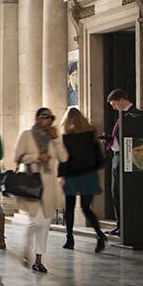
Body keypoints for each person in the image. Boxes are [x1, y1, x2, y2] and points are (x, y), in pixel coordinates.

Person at [13, 107, 68, 274]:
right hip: (33, 184)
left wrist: (57, 139)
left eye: (51, 117)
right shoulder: (27, 135)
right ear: (37, 119)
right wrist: (36, 157)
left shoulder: (52, 138)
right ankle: (26, 247)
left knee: (45, 225)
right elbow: (18, 157)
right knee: (35, 222)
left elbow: (64, 158)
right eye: (45, 117)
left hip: (49, 186)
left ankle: (38, 260)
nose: (48, 120)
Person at [60, 107, 107, 253]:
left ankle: (70, 239)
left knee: (69, 207)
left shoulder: (66, 137)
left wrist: (60, 174)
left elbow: (64, 159)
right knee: (86, 208)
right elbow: (98, 153)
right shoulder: (91, 134)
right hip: (89, 174)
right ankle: (100, 236)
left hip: (71, 175)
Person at [103, 89, 143, 237]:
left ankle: (126, 226)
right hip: (117, 156)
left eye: (114, 104)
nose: (114, 108)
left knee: (124, 192)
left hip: (127, 157)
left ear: (121, 100)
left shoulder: (133, 114)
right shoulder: (122, 116)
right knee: (115, 192)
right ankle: (120, 224)